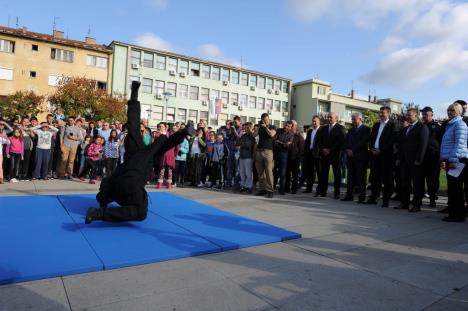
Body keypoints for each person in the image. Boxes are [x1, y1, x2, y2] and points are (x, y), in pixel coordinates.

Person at [85, 81, 195, 224]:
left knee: (108, 190)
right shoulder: (149, 152)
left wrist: (134, 93)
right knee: (140, 212)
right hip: (131, 185)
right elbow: (166, 143)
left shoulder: (134, 148)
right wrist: (181, 133)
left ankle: (103, 200)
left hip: (113, 185)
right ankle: (99, 213)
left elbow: (133, 119)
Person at [396, 108, 429, 212]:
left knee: (417, 184)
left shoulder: (422, 127)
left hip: (416, 161)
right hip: (405, 161)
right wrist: (399, 158)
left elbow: (423, 145)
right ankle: (404, 203)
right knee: (404, 183)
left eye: (409, 115)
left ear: (416, 116)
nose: (407, 117)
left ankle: (416, 204)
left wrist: (419, 159)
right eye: (407, 115)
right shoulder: (405, 129)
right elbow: (401, 145)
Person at [440, 102, 468, 222]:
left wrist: (453, 160)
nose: (449, 112)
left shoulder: (460, 124)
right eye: (448, 110)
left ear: (458, 111)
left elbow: (459, 144)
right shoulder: (451, 124)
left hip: (457, 160)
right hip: (451, 159)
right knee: (452, 188)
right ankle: (455, 213)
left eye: (452, 110)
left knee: (456, 189)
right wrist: (443, 159)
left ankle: (457, 215)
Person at [367, 106, 395, 207]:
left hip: (386, 156)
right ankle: (374, 197)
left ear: (389, 114)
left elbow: (391, 141)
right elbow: (371, 138)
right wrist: (372, 148)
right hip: (374, 155)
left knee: (387, 179)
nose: (381, 114)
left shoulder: (393, 125)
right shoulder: (376, 125)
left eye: (383, 113)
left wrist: (381, 150)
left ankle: (386, 199)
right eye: (380, 113)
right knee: (375, 177)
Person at [341, 113, 370, 203]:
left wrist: (353, 150)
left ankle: (361, 197)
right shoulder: (350, 130)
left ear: (360, 119)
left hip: (360, 157)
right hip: (350, 157)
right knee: (350, 177)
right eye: (352, 119)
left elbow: (363, 142)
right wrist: (347, 150)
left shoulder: (366, 129)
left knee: (361, 178)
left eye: (354, 119)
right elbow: (346, 141)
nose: (353, 121)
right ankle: (349, 195)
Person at [317, 112, 346, 199]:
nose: (329, 119)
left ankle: (336, 192)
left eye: (331, 117)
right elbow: (319, 140)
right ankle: (323, 191)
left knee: (337, 174)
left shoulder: (340, 128)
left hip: (335, 155)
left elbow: (342, 142)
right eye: (328, 117)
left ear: (335, 118)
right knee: (324, 174)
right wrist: (323, 149)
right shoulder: (324, 128)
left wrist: (330, 149)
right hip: (325, 155)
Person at [420, 106, 442, 207]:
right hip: (422, 157)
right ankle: (418, 198)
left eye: (425, 114)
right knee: (420, 178)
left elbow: (441, 141)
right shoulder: (420, 126)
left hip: (433, 157)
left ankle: (432, 199)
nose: (423, 116)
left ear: (431, 114)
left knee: (432, 179)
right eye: (423, 114)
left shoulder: (437, 126)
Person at [254, 113, 277, 198]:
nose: (265, 121)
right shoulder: (260, 127)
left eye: (266, 120)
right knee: (260, 172)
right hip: (259, 151)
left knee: (268, 171)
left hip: (268, 151)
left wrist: (266, 127)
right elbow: (254, 135)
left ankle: (270, 190)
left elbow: (272, 134)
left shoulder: (272, 127)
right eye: (263, 120)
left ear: (269, 119)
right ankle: (262, 189)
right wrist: (259, 127)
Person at [156, 125, 180, 189]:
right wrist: (174, 155)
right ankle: (168, 184)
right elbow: (177, 148)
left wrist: (174, 154)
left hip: (166, 154)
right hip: (168, 155)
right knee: (168, 170)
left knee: (163, 169)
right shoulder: (173, 138)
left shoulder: (165, 136)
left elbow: (177, 148)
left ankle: (160, 184)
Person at [303, 116, 322, 194]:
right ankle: (309, 188)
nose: (314, 123)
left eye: (315, 121)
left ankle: (320, 189)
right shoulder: (310, 131)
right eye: (313, 121)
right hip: (310, 153)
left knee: (319, 171)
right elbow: (307, 142)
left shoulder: (322, 130)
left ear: (319, 122)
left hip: (318, 153)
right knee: (310, 171)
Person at [285, 120, 304, 194]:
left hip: (295, 158)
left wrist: (298, 156)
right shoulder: (286, 134)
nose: (290, 127)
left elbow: (301, 148)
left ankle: (294, 189)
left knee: (295, 175)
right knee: (287, 174)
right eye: (290, 125)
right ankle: (286, 188)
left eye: (292, 125)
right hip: (287, 157)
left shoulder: (298, 136)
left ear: (295, 126)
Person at [275, 121, 294, 195]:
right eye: (285, 125)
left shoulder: (291, 135)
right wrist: (283, 143)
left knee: (282, 173)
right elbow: (275, 141)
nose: (286, 127)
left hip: (284, 154)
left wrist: (280, 142)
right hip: (276, 153)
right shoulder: (279, 130)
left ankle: (281, 190)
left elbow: (287, 145)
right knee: (274, 171)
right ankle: (272, 187)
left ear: (291, 127)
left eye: (288, 126)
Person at [237, 122, 256, 193]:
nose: (246, 129)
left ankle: (249, 186)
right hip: (242, 156)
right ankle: (243, 185)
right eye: (245, 127)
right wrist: (242, 142)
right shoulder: (243, 135)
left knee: (248, 173)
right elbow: (237, 142)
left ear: (251, 128)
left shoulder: (252, 136)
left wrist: (242, 143)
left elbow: (249, 145)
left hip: (249, 156)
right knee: (242, 172)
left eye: (248, 127)